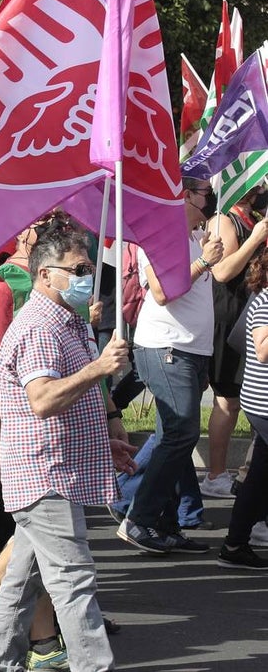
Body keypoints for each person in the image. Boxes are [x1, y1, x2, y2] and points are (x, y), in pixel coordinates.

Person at [0, 225, 135, 672]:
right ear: (46, 275)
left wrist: (104, 441)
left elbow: (65, 405)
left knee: (23, 580)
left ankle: (0, 662)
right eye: (80, 268)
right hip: (44, 472)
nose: (89, 274)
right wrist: (100, 367)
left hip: (55, 468)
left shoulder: (66, 321)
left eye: (89, 266)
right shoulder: (40, 326)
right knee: (73, 581)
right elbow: (42, 399)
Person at [118, 179, 222, 554]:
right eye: (204, 192)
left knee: (173, 436)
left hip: (189, 351)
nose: (209, 198)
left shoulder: (195, 236)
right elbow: (162, 293)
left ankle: (165, 522)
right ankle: (139, 518)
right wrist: (204, 261)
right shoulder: (162, 235)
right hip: (165, 347)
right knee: (181, 433)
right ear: (185, 195)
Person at [201, 188, 268, 497]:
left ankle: (249, 471)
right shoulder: (224, 220)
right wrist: (255, 238)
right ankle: (215, 474)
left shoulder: (254, 217)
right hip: (229, 317)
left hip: (252, 315)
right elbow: (223, 272)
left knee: (255, 396)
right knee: (228, 399)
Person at [218, 246, 268, 569]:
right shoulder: (265, 301)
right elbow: (263, 351)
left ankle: (235, 543)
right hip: (264, 402)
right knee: (261, 474)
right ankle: (236, 541)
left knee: (261, 474)